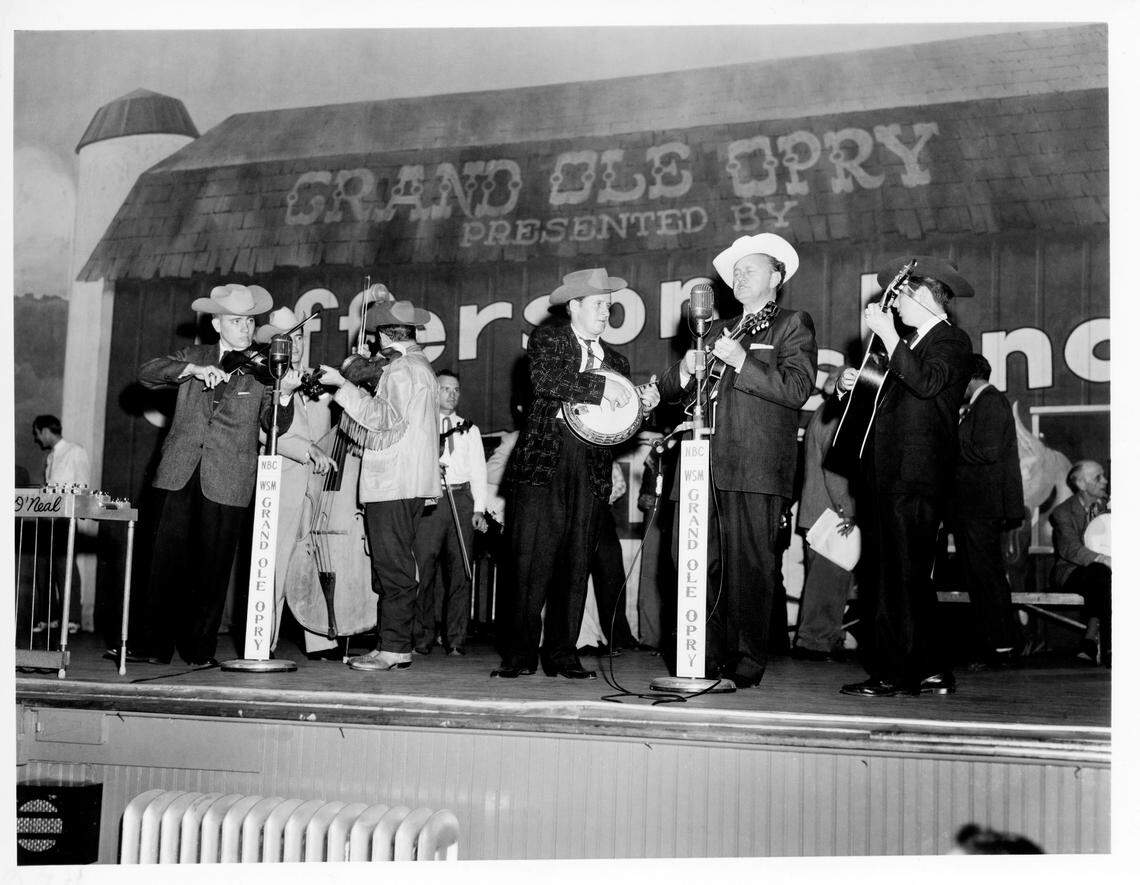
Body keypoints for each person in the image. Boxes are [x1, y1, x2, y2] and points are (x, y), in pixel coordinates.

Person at [658, 234, 817, 688]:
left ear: (776, 276)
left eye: (750, 268)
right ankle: (701, 659)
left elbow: (797, 389)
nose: (740, 276)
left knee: (749, 568)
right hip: (700, 464)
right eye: (736, 271)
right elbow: (672, 392)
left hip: (754, 465)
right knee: (691, 561)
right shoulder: (715, 328)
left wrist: (743, 360)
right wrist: (683, 371)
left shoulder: (791, 324)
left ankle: (745, 663)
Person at [493, 267, 659, 680]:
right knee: (529, 562)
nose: (606, 312)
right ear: (574, 306)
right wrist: (605, 390)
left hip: (591, 467)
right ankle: (519, 656)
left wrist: (642, 406)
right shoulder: (548, 339)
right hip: (544, 465)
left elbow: (620, 427)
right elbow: (545, 380)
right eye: (599, 304)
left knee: (576, 563)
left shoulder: (617, 361)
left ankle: (563, 655)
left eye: (609, 305)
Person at [130, 284, 301, 667]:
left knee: (213, 567)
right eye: (236, 321)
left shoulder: (264, 369)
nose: (246, 328)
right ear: (216, 323)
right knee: (163, 563)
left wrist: (286, 394)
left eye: (250, 321)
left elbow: (274, 424)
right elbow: (146, 373)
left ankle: (198, 651)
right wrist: (191, 370)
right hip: (178, 471)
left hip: (228, 476)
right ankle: (153, 647)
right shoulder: (193, 356)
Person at [838, 257, 973, 698]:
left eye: (903, 296)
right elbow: (888, 399)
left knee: (898, 574)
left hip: (914, 476)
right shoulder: (909, 344)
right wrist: (853, 383)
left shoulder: (951, 341)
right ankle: (930, 668)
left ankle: (894, 673)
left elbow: (926, 384)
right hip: (889, 474)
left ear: (931, 298)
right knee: (899, 573)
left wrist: (890, 337)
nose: (895, 305)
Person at [318, 298, 440, 672]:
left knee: (393, 569)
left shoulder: (403, 369)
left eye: (376, 338)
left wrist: (342, 384)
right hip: (406, 482)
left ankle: (394, 648)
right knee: (394, 566)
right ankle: (394, 645)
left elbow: (381, 418)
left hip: (393, 483)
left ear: (385, 336)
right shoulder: (418, 366)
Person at [251, 308, 339, 659]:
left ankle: (320, 639)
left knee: (315, 561)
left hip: (316, 487)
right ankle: (265, 642)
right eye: (289, 340)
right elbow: (265, 432)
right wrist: (307, 450)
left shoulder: (317, 381)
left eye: (300, 338)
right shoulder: (264, 378)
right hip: (284, 482)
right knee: (274, 563)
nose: (297, 346)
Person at [950, 353, 1025, 670]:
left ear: (969, 377)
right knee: (983, 577)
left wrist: (948, 439)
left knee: (986, 578)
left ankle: (1001, 646)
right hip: (976, 508)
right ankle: (999, 644)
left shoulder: (990, 402)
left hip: (981, 508)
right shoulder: (983, 404)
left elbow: (987, 451)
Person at [413, 369, 489, 657]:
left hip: (461, 498)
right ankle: (421, 638)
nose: (452, 394)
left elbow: (479, 472)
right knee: (424, 569)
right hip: (431, 501)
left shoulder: (469, 429)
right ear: (435, 391)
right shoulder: (421, 425)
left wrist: (479, 509)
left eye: (456, 389)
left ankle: (455, 639)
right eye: (446, 389)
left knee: (461, 571)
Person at [792, 365, 856, 663]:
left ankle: (823, 639)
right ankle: (815, 642)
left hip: (818, 511)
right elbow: (836, 470)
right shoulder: (838, 416)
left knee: (823, 582)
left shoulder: (823, 412)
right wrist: (847, 510)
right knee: (828, 584)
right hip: (831, 513)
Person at [31, 414, 91, 633]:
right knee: (44, 569)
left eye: (37, 434)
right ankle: (48, 618)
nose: (37, 439)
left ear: (46, 431)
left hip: (65, 520)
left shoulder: (75, 451)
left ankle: (72, 618)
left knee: (65, 568)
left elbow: (83, 486)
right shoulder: (51, 457)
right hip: (47, 521)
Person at [1049, 460, 1110, 666]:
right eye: (1098, 477)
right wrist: (1103, 558)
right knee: (1101, 574)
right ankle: (1101, 641)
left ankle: (1092, 642)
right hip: (1071, 571)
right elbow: (1070, 549)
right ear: (1081, 484)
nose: (1105, 481)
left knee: (1105, 576)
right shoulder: (1062, 512)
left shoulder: (1110, 507)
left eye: (1103, 476)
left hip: (1104, 572)